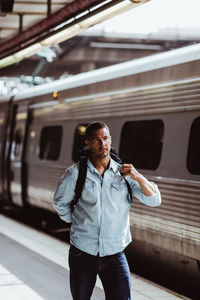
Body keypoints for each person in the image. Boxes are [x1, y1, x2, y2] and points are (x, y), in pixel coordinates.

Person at [53, 121, 161, 300]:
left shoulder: (125, 174)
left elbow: (154, 200)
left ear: (110, 140)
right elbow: (59, 203)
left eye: (105, 139)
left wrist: (138, 177)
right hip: (82, 252)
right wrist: (76, 222)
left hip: (115, 253)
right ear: (87, 142)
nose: (102, 144)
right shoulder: (75, 174)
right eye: (96, 140)